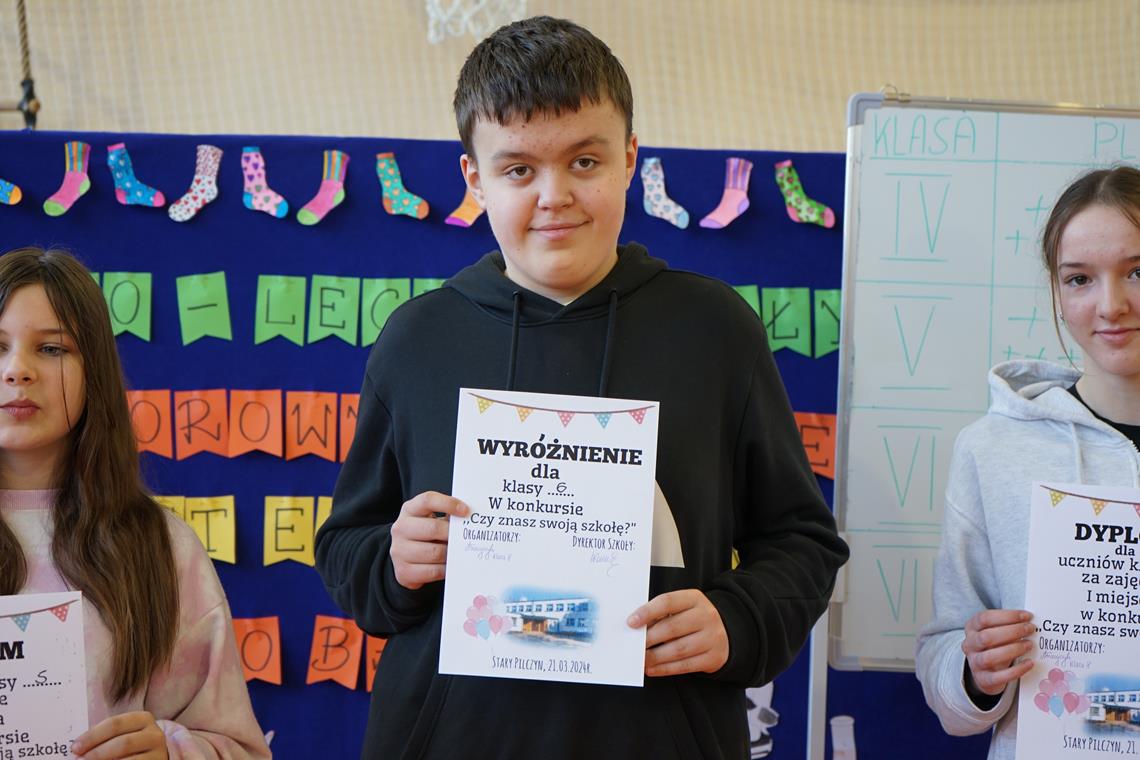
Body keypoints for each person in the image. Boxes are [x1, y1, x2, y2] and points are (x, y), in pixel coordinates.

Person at [315, 16, 848, 760]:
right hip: (450, 739)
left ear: (629, 160)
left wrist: (739, 619)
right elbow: (346, 546)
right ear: (474, 179)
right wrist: (394, 560)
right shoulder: (417, 339)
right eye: (518, 170)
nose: (554, 195)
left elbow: (803, 541)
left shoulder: (715, 330)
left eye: (585, 161)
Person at [0, 247, 270, 760]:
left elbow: (241, 749)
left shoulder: (160, 546)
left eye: (52, 349)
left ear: (94, 371)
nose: (17, 370)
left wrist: (170, 753)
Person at [916, 165, 1140, 759]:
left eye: (1138, 272)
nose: (1112, 305)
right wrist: (976, 671)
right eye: (1079, 279)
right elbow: (944, 663)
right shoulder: (992, 449)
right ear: (1058, 295)